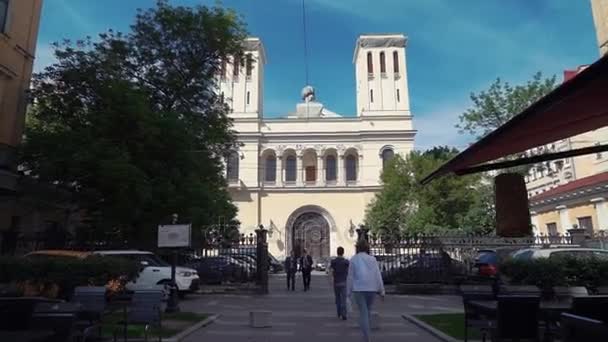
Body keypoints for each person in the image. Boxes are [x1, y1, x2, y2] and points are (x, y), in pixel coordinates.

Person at [347, 239, 385, 342]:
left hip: (359, 289)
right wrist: (382, 291)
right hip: (371, 289)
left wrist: (348, 292)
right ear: (367, 248)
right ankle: (366, 334)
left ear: (357, 248)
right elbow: (377, 275)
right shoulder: (372, 259)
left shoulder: (354, 259)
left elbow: (350, 277)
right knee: (367, 311)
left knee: (363, 313)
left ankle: (366, 337)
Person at [330, 246, 349, 320]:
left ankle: (338, 312)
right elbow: (349, 271)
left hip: (336, 282)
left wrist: (332, 279)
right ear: (343, 252)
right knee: (343, 299)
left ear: (337, 252)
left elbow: (330, 271)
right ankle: (344, 314)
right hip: (344, 282)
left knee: (337, 298)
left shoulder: (333, 261)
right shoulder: (346, 262)